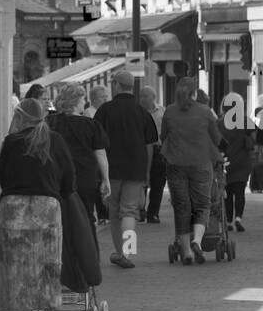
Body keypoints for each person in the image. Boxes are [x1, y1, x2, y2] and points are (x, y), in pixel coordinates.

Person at [0, 98, 75, 311]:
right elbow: (69, 177)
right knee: (49, 262)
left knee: (17, 264)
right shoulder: (56, 141)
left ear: (20, 117)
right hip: (47, 205)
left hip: (14, 206)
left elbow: (3, 176)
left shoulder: (10, 142)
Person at [94, 70, 158, 269]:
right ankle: (128, 252)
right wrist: (146, 171)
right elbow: (150, 145)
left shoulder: (105, 110)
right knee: (129, 211)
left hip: (111, 169)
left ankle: (119, 252)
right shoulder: (142, 112)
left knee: (114, 211)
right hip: (136, 168)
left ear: (116, 85)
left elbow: (95, 142)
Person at [160, 77, 222, 264]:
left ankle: (186, 251)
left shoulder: (169, 111)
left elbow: (163, 136)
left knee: (182, 206)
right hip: (201, 164)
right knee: (203, 204)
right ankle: (197, 240)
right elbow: (217, 139)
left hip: (176, 164)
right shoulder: (205, 111)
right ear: (195, 93)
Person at [47, 82, 110, 243]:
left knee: (58, 217)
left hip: (56, 178)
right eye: (83, 100)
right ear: (75, 101)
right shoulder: (91, 125)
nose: (85, 103)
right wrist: (105, 179)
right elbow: (100, 154)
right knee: (86, 216)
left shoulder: (50, 123)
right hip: (85, 178)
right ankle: (88, 255)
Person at [217, 95, 255, 232]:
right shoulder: (246, 121)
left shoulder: (220, 122)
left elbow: (216, 141)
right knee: (240, 193)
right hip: (242, 161)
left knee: (227, 193)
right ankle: (238, 218)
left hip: (225, 161)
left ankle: (228, 221)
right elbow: (255, 138)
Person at [140, 86, 166, 223]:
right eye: (141, 96)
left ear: (153, 98)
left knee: (158, 183)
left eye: (145, 96)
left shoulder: (162, 111)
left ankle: (153, 213)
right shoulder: (137, 112)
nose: (142, 98)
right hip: (141, 149)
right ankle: (140, 210)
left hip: (158, 149)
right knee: (141, 180)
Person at [84, 85, 111, 222]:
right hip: (95, 152)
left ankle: (106, 212)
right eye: (102, 97)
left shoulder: (108, 111)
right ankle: (102, 214)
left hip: (106, 150)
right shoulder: (89, 113)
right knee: (99, 182)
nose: (106, 99)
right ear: (93, 99)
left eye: (106, 96)